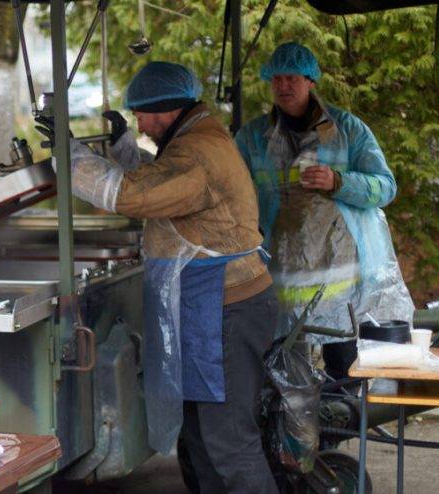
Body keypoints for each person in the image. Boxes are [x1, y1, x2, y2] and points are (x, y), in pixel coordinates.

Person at [44, 61, 278, 493]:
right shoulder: (193, 138)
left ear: (168, 109)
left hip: (226, 310)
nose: (140, 122)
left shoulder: (198, 151)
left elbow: (133, 194)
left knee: (228, 442)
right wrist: (122, 146)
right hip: (214, 307)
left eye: (142, 115)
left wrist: (69, 155)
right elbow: (162, 182)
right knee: (201, 437)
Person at [235, 42, 413, 378]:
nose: (283, 86)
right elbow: (230, 188)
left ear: (311, 81)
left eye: (292, 78)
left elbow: (385, 187)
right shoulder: (253, 138)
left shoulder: (348, 130)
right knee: (284, 367)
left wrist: (338, 182)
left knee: (344, 364)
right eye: (277, 79)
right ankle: (293, 428)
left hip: (339, 275)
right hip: (281, 271)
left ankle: (341, 424)